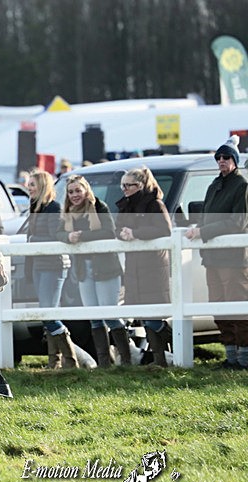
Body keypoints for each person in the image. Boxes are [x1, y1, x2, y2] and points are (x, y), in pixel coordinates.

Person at [185, 136, 248, 369]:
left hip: (233, 259)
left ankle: (244, 357)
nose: (222, 160)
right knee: (218, 306)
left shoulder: (242, 186)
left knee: (238, 306)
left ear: (234, 160)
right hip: (212, 257)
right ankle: (231, 356)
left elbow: (238, 222)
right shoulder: (214, 185)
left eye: (226, 157)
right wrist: (199, 228)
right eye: (218, 157)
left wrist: (203, 231)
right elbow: (206, 216)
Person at [57, 175, 127, 367]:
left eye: (78, 190)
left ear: (86, 190)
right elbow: (58, 233)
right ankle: (104, 362)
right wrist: (68, 237)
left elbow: (109, 231)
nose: (74, 195)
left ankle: (126, 359)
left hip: (105, 268)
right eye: (71, 192)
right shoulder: (67, 212)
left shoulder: (99, 207)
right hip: (83, 269)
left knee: (109, 315)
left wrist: (82, 236)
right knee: (94, 318)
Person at [116, 166, 172, 366]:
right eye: (122, 185)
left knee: (153, 317)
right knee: (144, 315)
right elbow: (117, 227)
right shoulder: (126, 205)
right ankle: (159, 359)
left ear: (139, 185)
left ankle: (168, 351)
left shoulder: (155, 204)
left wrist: (136, 233)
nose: (124, 189)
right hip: (134, 265)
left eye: (128, 185)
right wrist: (122, 233)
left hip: (153, 265)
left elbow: (165, 229)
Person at [26, 169, 77, 368]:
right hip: (39, 264)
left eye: (32, 184)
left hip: (53, 265)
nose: (29, 188)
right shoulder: (36, 207)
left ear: (42, 186)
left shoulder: (54, 208)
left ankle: (70, 359)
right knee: (46, 312)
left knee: (48, 313)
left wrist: (31, 240)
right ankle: (54, 361)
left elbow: (54, 235)